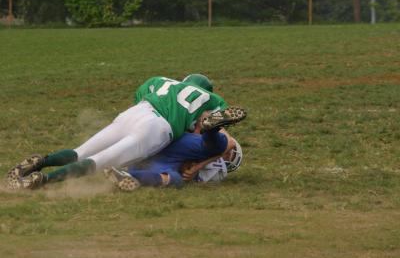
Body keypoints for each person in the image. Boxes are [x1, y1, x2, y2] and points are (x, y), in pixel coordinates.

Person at [6, 74, 245, 190]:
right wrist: (202, 129)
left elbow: (140, 96)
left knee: (81, 152)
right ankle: (42, 181)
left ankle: (40, 162)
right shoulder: (211, 98)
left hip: (134, 113)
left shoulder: (160, 80)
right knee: (97, 162)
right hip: (158, 129)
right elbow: (222, 137)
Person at [104, 113, 244, 191]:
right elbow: (229, 143)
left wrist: (194, 169)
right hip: (172, 141)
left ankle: (126, 175)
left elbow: (187, 175)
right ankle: (212, 129)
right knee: (211, 146)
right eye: (229, 153)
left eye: (227, 158)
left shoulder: (217, 172)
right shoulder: (223, 143)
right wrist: (199, 166)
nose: (225, 155)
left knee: (175, 179)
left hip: (164, 158)